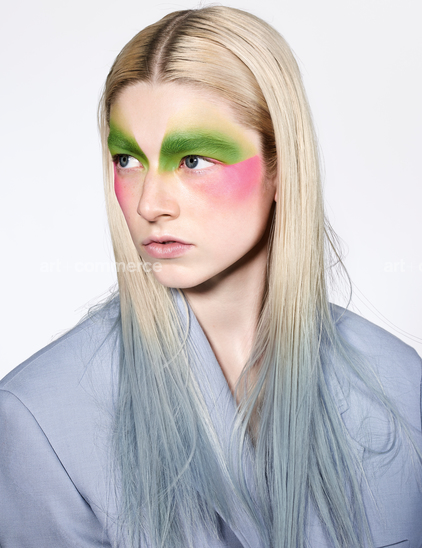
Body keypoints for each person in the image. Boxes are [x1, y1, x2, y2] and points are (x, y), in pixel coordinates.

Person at [0, 6, 421, 548]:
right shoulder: (40, 420)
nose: (149, 204)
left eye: (193, 160)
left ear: (281, 167)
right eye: (127, 160)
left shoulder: (401, 384)